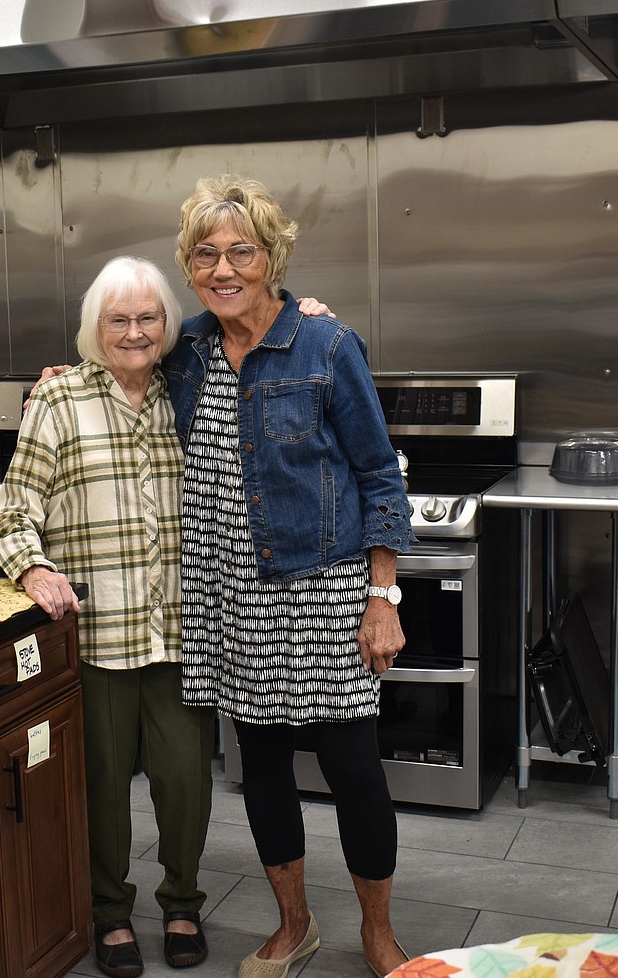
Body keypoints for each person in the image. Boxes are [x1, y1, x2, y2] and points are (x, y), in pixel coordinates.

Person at [161, 174, 413, 978]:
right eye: (207, 254)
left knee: (352, 769)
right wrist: (61, 379)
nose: (224, 267)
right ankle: (294, 923)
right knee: (261, 767)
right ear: (190, 265)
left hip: (322, 589)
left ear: (272, 256)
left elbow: (380, 476)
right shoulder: (188, 350)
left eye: (242, 251)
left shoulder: (327, 345)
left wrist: (383, 598)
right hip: (229, 595)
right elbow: (120, 364)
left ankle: (377, 930)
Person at [0, 256, 214, 977]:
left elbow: (254, 321)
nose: (135, 331)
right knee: (103, 786)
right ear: (95, 328)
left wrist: (310, 311)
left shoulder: (190, 391)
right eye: (118, 319)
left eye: (148, 317)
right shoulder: (57, 402)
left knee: (187, 781)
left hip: (180, 628)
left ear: (166, 325)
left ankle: (182, 901)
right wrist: (34, 568)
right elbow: (15, 513)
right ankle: (110, 914)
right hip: (97, 633)